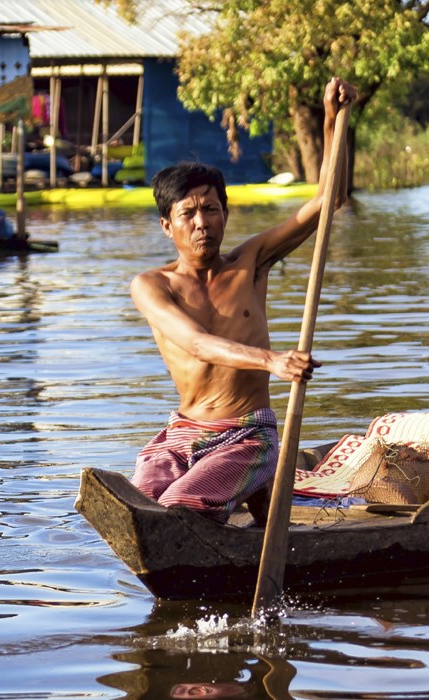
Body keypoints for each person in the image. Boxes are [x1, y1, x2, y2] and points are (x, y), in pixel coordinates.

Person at [127, 78, 354, 523]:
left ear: (226, 215)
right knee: (138, 508)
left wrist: (331, 122)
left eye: (211, 210)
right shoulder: (152, 285)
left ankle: (252, 488)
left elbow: (330, 199)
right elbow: (195, 343)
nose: (201, 223)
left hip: (248, 433)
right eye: (187, 214)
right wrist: (271, 360)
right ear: (166, 226)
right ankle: (256, 501)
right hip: (182, 434)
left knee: (179, 508)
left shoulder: (250, 261)